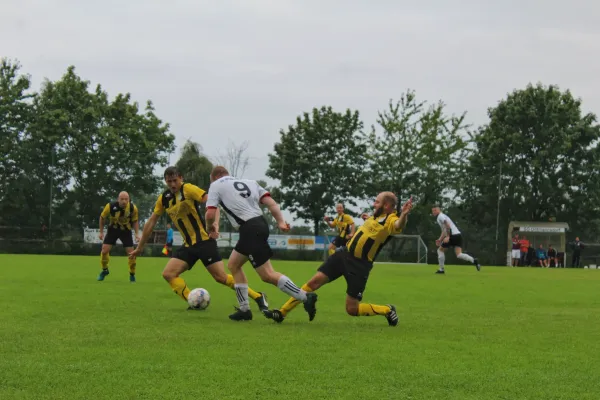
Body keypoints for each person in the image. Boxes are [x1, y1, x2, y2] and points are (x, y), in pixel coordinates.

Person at [128, 166, 268, 312]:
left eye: (175, 180)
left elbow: (214, 205)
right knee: (168, 274)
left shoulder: (188, 189)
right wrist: (140, 247)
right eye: (169, 181)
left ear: (181, 178)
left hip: (204, 241)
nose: (172, 184)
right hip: (188, 245)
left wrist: (215, 224)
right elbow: (151, 222)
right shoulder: (164, 199)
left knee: (220, 277)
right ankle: (194, 301)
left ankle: (258, 296)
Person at [263, 192, 411, 326]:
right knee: (313, 282)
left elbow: (398, 225)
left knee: (351, 309)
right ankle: (281, 313)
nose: (374, 204)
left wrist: (404, 214)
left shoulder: (391, 219)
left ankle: (387, 310)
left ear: (386, 205)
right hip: (343, 255)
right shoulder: (375, 216)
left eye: (377, 202)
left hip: (359, 266)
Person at [205, 166, 317, 321]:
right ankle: (244, 310)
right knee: (233, 265)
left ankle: (305, 297)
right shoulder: (250, 182)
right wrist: (281, 222)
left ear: (215, 177)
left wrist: (210, 228)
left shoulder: (216, 185)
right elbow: (271, 203)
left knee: (267, 274)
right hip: (259, 225)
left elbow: (210, 213)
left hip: (250, 229)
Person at [97, 191, 140, 283]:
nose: (124, 201)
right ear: (118, 199)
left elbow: (135, 221)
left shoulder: (133, 208)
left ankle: (132, 274)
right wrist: (101, 232)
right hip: (113, 229)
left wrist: (137, 234)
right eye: (122, 199)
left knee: (131, 254)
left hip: (126, 231)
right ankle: (105, 270)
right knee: (104, 250)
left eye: (126, 199)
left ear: (129, 199)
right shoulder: (110, 206)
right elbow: (102, 217)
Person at [432, 206, 481, 274]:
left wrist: (448, 236)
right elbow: (444, 230)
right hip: (458, 235)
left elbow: (447, 225)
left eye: (435, 210)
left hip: (452, 235)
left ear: (439, 210)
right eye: (432, 211)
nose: (433, 212)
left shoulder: (440, 216)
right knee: (459, 254)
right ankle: (474, 261)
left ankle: (441, 269)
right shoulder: (443, 216)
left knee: (440, 250)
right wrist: (440, 239)